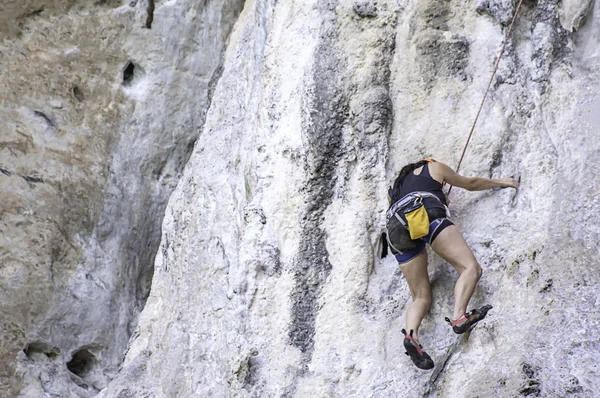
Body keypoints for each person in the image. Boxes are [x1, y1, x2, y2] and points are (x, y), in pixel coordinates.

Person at [386, 158, 518, 370]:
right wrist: (501, 182)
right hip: (424, 211)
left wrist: (439, 199)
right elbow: (471, 184)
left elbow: (407, 214)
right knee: (470, 268)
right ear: (427, 161)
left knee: (420, 297)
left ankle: (412, 336)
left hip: (395, 227)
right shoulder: (433, 167)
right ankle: (459, 317)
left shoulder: (396, 190)